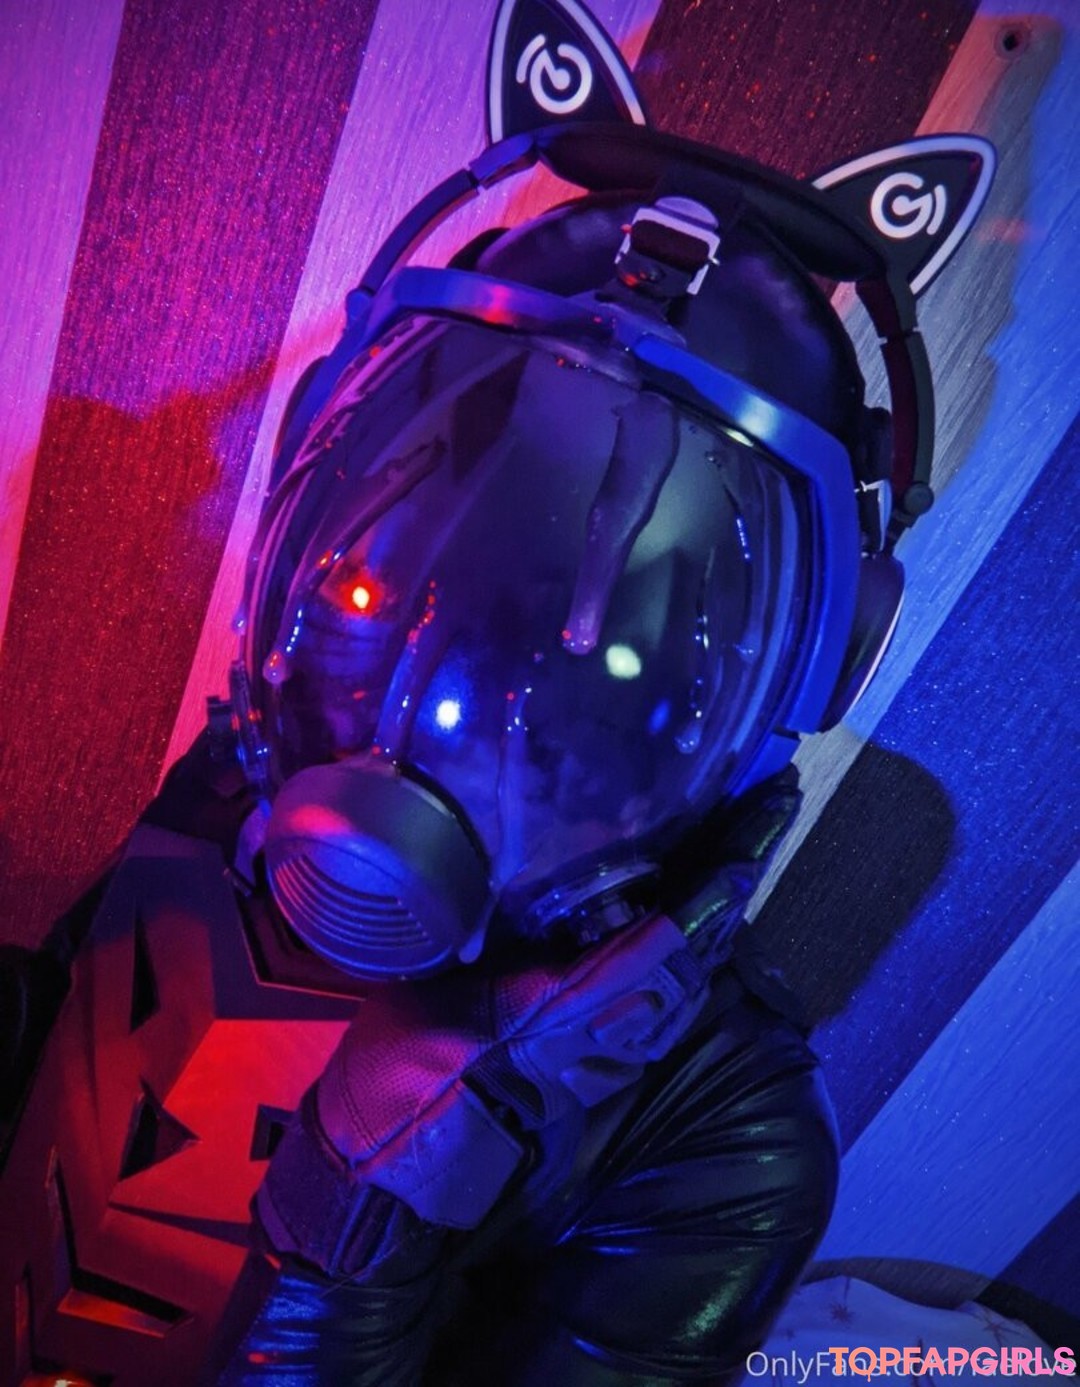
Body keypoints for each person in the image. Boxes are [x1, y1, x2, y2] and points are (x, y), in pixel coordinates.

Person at [0, 13, 995, 1380]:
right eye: (404, 586)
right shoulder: (254, 776)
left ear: (818, 660)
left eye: (603, 661)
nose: (440, 699)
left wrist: (360, 1233)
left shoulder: (724, 1140)